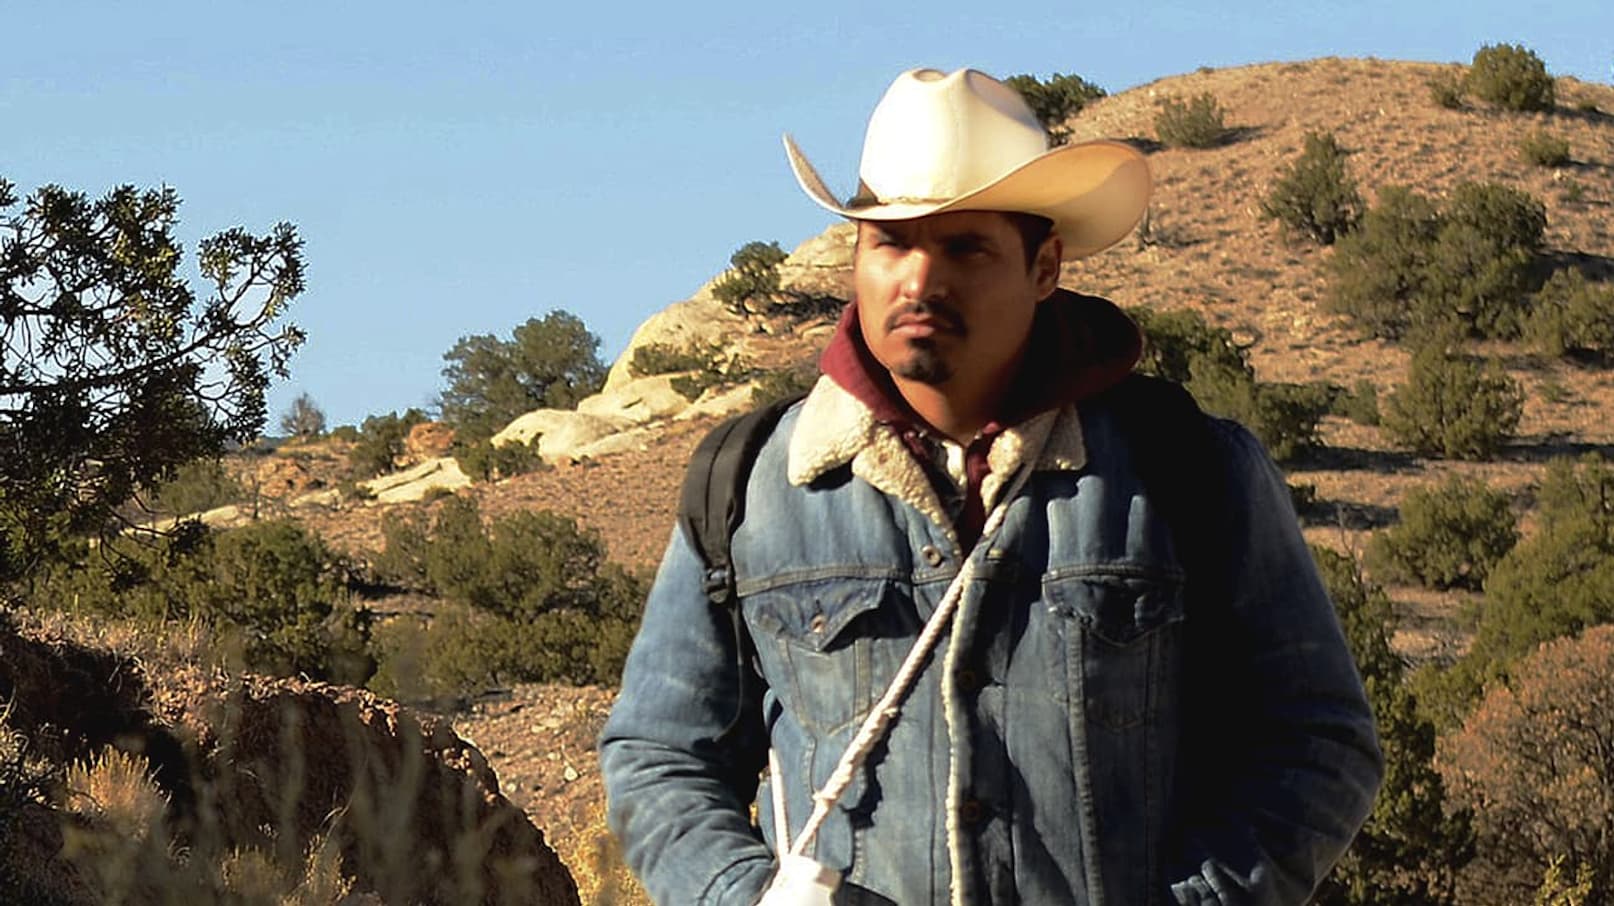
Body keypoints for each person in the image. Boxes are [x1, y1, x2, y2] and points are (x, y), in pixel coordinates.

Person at [599, 67, 1382, 905]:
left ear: (1044, 266)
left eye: (964, 247)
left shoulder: (1185, 469)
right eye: (890, 243)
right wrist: (744, 895)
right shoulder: (752, 487)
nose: (918, 281)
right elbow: (658, 757)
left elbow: (1317, 742)